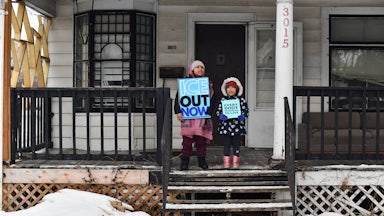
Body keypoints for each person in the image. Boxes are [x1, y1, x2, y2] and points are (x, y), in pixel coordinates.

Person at [174, 60, 214, 171]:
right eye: (197, 67)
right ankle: (185, 161)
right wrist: (178, 111)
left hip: (202, 118)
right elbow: (179, 98)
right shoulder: (185, 84)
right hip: (189, 119)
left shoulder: (208, 84)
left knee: (201, 141)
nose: (200, 69)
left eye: (202, 67)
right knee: (187, 142)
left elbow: (211, 99)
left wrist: (209, 112)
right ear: (192, 70)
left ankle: (202, 161)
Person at [216, 77, 249, 169]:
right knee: (226, 144)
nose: (230, 89)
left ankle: (235, 162)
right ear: (225, 89)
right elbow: (218, 111)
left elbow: (246, 111)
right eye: (228, 87)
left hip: (237, 126)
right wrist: (221, 116)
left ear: (237, 89)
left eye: (233, 87)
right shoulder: (223, 100)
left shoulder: (241, 100)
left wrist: (243, 116)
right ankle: (226, 162)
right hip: (226, 126)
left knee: (236, 144)